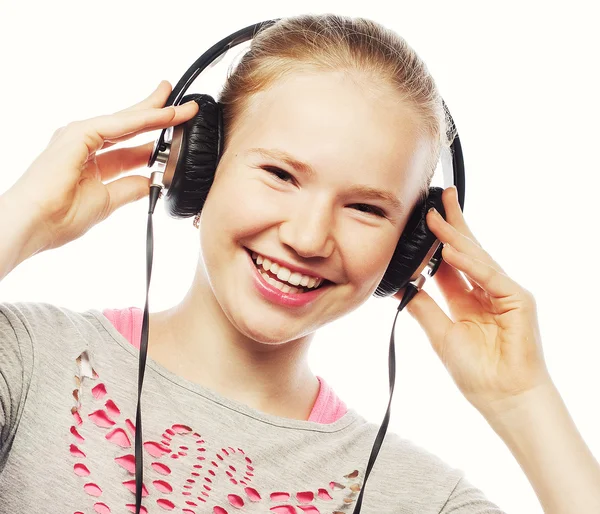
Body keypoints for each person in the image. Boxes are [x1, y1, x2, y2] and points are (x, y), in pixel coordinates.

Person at [0, 13, 598, 514]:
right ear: (196, 169)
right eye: (280, 174)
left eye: (365, 208)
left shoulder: (414, 497)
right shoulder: (29, 361)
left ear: (410, 249)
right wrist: (21, 219)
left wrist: (523, 402)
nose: (310, 238)